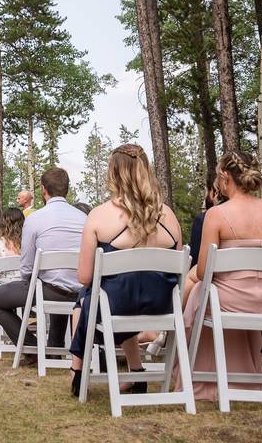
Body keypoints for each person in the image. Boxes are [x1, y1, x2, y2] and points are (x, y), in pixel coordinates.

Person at [67, 144, 182, 397]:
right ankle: (136, 372)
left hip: (118, 307)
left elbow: (85, 277)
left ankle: (77, 370)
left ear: (115, 173)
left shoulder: (99, 216)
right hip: (163, 306)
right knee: (124, 286)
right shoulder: (169, 216)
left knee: (91, 295)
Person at [179, 151, 262, 401]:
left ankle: (198, 376)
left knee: (198, 289)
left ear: (225, 177)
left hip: (227, 304)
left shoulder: (216, 214)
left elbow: (204, 270)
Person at [0, 168, 85, 355]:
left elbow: (27, 267)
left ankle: (32, 348)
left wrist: (31, 280)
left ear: (43, 190)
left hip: (49, 290)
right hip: (82, 292)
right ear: (67, 190)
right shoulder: (84, 218)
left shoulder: (35, 219)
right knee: (56, 282)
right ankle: (54, 345)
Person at [188, 175, 220, 267]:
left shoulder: (202, 219)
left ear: (214, 193)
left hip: (209, 278)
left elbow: (195, 261)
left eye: (207, 191)